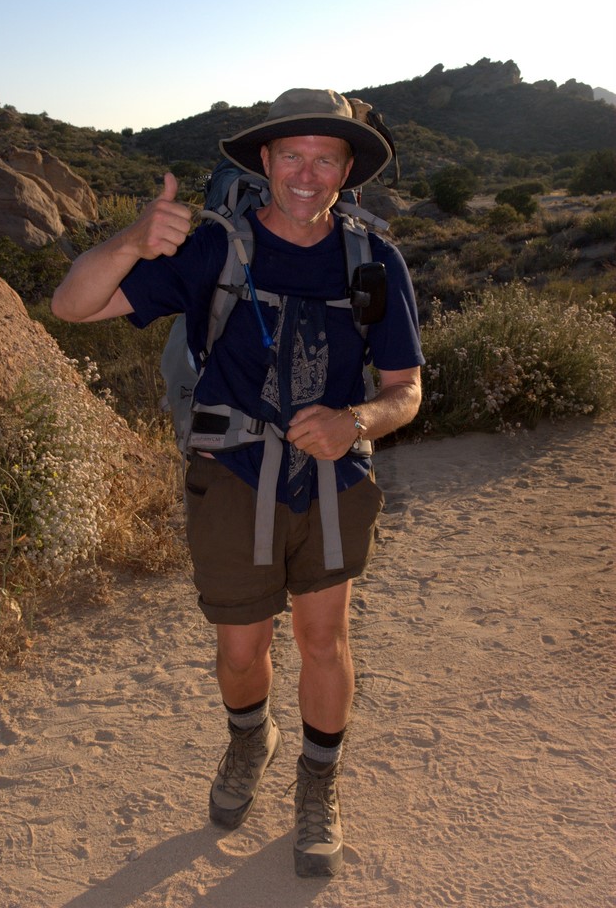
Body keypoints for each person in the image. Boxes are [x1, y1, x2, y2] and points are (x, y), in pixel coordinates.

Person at [51, 88, 424, 877]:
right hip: (229, 476)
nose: (306, 172)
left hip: (330, 479)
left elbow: (405, 389)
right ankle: (249, 739)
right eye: (291, 153)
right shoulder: (210, 248)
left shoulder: (373, 259)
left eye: (326, 157)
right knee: (239, 648)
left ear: (346, 169)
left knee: (323, 640)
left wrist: (352, 423)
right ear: (264, 160)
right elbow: (71, 304)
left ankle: (317, 786)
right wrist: (130, 239)